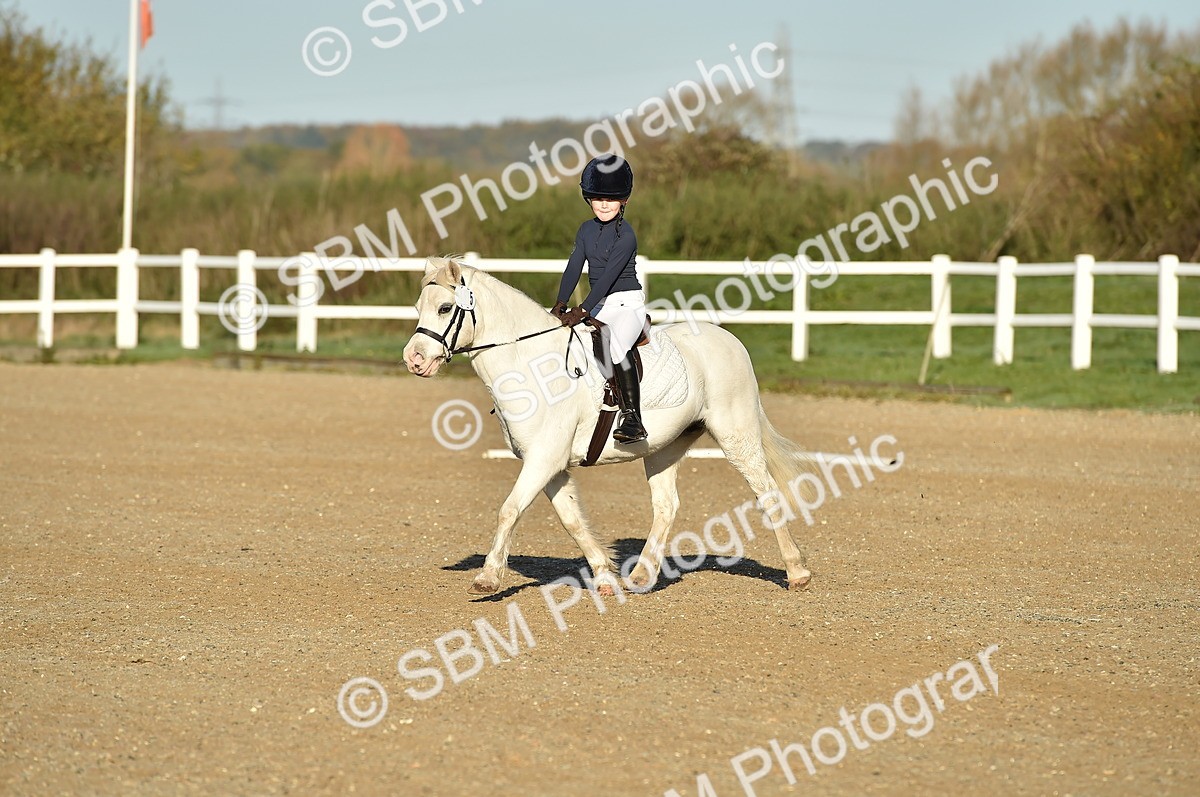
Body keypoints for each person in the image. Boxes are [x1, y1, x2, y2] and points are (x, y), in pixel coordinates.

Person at [551, 154, 648, 443]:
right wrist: (560, 303)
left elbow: (606, 280)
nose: (604, 204)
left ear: (623, 201)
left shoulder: (626, 236)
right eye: (597, 198)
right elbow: (574, 267)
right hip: (601, 304)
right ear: (589, 199)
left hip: (627, 303)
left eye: (611, 199)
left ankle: (633, 418)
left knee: (617, 347)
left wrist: (581, 310)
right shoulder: (586, 229)